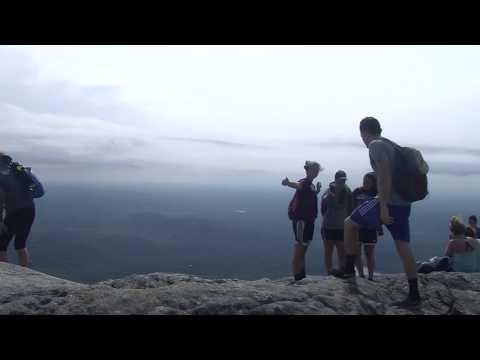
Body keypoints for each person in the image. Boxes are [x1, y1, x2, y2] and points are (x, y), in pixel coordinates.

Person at [335, 117, 422, 307]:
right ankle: (414, 293)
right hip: (403, 203)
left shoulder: (375, 145)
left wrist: (382, 206)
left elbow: (384, 177)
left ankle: (349, 271)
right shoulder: (391, 145)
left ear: (363, 132)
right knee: (403, 245)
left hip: (388, 202)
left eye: (361, 134)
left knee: (349, 224)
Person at [282, 161, 322, 281]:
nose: (315, 172)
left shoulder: (311, 184)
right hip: (302, 220)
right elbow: (298, 185)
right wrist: (288, 183)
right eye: (313, 169)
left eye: (317, 170)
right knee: (300, 246)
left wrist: (317, 190)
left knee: (304, 246)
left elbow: (309, 194)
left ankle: (301, 274)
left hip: (309, 220)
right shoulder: (304, 182)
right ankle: (297, 276)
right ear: (307, 170)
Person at [0, 153, 36, 267]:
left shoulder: (1, 176)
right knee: (20, 244)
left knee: (1, 245)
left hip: (14, 212)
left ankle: (5, 274)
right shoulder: (17, 170)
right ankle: (24, 272)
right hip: (30, 210)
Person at [320, 170, 354, 275]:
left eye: (344, 180)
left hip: (341, 226)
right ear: (335, 180)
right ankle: (329, 272)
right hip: (329, 226)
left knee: (341, 249)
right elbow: (323, 207)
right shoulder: (328, 192)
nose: (342, 182)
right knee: (328, 250)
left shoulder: (348, 192)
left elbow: (351, 209)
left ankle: (342, 269)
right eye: (340, 180)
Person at [352, 172, 383, 281]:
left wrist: (380, 226)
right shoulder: (356, 191)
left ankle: (370, 277)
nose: (365, 183)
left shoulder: (376, 194)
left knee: (369, 252)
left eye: (368, 181)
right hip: (357, 226)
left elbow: (380, 211)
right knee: (356, 252)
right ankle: (361, 275)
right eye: (365, 180)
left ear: (373, 183)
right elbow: (351, 208)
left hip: (371, 228)